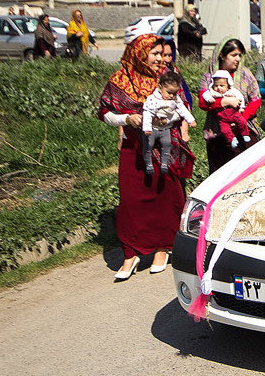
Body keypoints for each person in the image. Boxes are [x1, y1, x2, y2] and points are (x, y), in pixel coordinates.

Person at [97, 35, 193, 280]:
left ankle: (163, 247)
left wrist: (167, 120)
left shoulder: (168, 77)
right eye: (155, 54)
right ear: (139, 53)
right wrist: (126, 119)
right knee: (131, 199)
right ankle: (131, 252)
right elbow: (105, 113)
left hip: (164, 145)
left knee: (164, 195)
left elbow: (182, 108)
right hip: (133, 147)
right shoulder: (119, 80)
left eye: (162, 54)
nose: (160, 59)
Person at [198, 38, 262, 173]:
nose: (237, 59)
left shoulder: (245, 75)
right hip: (218, 134)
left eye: (239, 55)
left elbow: (256, 100)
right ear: (222, 55)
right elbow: (203, 102)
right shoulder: (209, 77)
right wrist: (224, 102)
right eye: (233, 55)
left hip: (244, 131)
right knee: (221, 175)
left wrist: (241, 119)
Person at [142, 71, 195, 175]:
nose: (171, 96)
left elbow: (182, 109)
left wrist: (190, 120)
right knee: (149, 145)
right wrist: (147, 128)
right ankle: (148, 164)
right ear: (160, 87)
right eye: (169, 92)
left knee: (167, 144)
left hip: (165, 128)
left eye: (174, 93)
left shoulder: (176, 99)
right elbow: (148, 113)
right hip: (152, 128)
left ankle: (164, 164)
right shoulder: (153, 99)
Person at [201, 71, 253, 148]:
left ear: (228, 86)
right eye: (216, 85)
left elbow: (240, 97)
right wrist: (209, 99)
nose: (218, 88)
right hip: (222, 118)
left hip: (234, 113)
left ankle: (245, 134)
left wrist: (242, 107)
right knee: (224, 129)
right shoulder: (212, 92)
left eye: (222, 85)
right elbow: (205, 94)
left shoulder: (232, 91)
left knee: (242, 122)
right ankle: (232, 139)